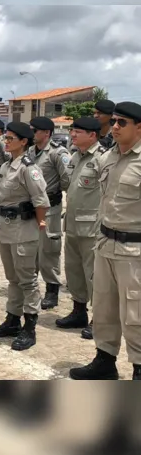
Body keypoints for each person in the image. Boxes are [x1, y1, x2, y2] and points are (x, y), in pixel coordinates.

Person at [70, 102, 141, 380]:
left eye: (122, 122)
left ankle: (138, 368)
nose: (114, 127)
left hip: (135, 251)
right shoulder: (108, 157)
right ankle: (105, 360)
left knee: (135, 314)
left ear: (139, 127)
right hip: (105, 244)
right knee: (103, 308)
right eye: (113, 121)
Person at [0, 122, 49, 351]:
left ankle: (29, 325)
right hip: (6, 227)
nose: (7, 141)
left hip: (24, 228)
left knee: (27, 279)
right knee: (12, 278)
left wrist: (40, 222)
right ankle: (12, 319)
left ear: (24, 141)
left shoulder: (28, 168)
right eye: (6, 138)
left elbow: (41, 200)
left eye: (11, 138)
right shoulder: (7, 166)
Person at [56, 117, 104, 338]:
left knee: (94, 274)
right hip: (73, 224)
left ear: (92, 135)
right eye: (72, 131)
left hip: (92, 227)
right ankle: (79, 311)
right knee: (73, 271)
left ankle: (100, 319)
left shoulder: (102, 158)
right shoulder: (76, 156)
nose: (72, 135)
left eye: (78, 131)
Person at [28, 116, 70, 309]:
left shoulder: (57, 153)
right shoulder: (30, 151)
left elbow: (67, 179)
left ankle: (52, 289)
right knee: (31, 247)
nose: (32, 133)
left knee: (50, 249)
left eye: (35, 130)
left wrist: (52, 195)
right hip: (32, 207)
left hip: (50, 207)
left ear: (46, 133)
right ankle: (32, 287)